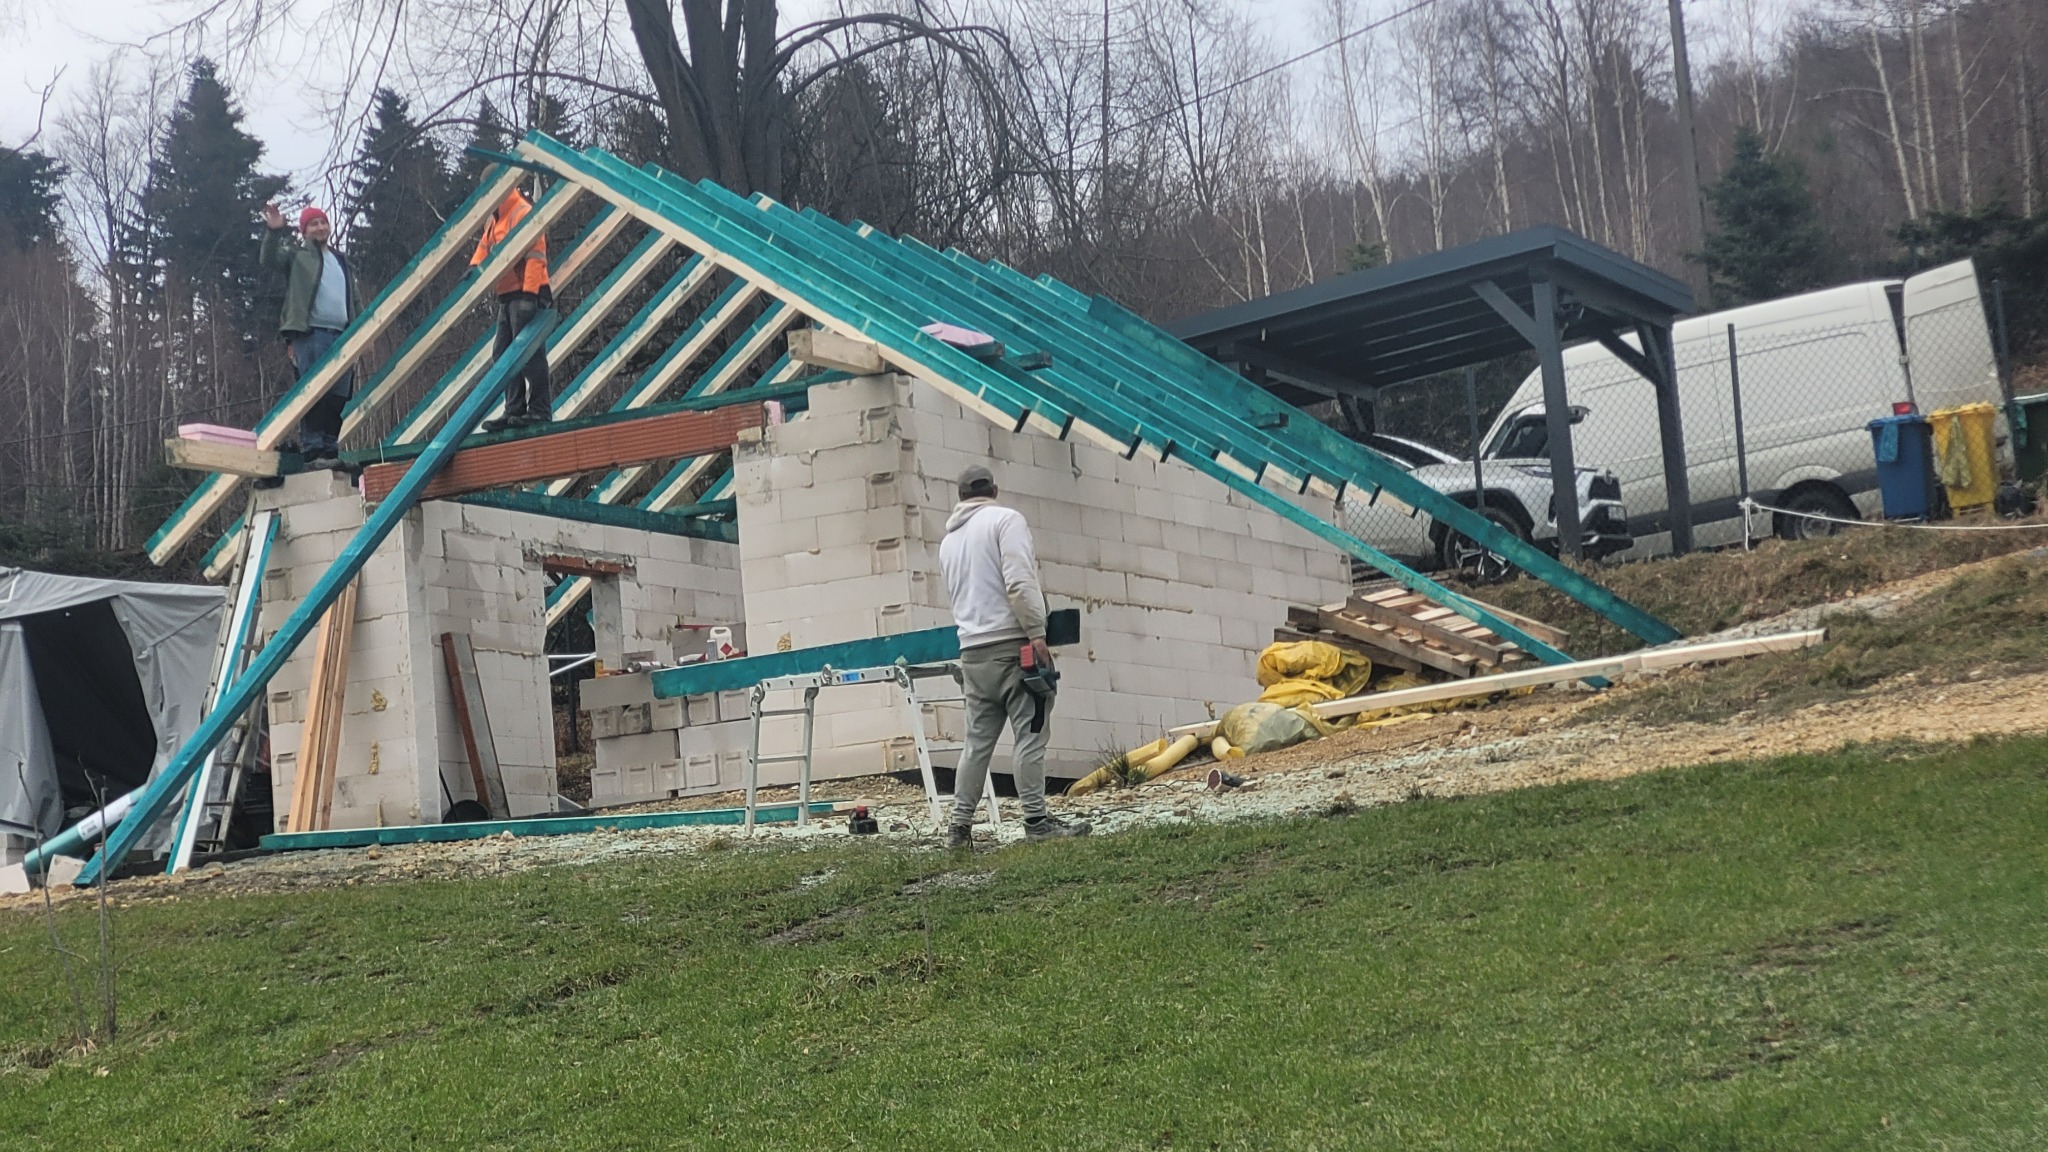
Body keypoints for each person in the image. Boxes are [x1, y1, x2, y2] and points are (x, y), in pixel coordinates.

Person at [938, 465, 1091, 847]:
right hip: (1013, 648)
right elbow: (1019, 581)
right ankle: (1036, 822)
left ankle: (958, 829)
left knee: (977, 743)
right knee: (1031, 732)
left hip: (972, 653)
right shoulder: (1006, 521)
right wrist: (1037, 634)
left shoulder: (949, 542)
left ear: (960, 495)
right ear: (994, 489)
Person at [260, 203, 361, 468]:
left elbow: (355, 299)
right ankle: (314, 449)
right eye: (313, 224)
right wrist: (274, 231)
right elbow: (269, 258)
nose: (320, 227)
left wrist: (363, 329)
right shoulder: (297, 256)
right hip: (312, 333)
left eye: (323, 222)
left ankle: (330, 448)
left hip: (342, 335)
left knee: (340, 394)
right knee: (314, 392)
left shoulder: (340, 260)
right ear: (305, 230)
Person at [470, 187, 553, 432]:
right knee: (502, 355)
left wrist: (530, 294)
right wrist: (473, 270)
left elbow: (536, 255)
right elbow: (483, 252)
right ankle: (514, 409)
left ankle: (539, 411)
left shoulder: (521, 212)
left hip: (527, 293)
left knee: (529, 354)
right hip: (507, 296)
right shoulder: (494, 220)